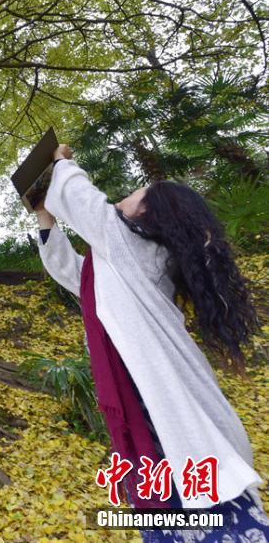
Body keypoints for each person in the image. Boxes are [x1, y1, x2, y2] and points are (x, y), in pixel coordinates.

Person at [35, 144, 268, 542]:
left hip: (175, 416)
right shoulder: (119, 264)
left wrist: (62, 161)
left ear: (149, 213)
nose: (124, 197)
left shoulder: (142, 253)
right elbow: (72, 272)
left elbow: (83, 203)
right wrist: (44, 215)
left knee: (217, 514)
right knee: (169, 513)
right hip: (149, 414)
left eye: (137, 192)